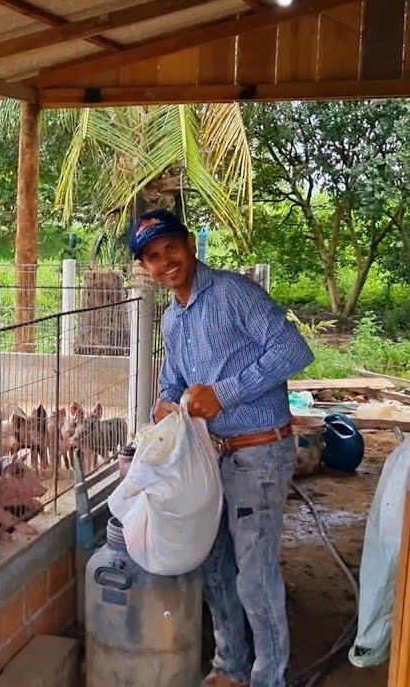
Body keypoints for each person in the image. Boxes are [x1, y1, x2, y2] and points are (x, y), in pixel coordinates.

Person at [128, 208, 314, 687]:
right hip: (211, 458)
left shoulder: (234, 293)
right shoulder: (171, 320)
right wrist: (163, 406)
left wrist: (224, 393)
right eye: (152, 256)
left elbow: (295, 351)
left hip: (260, 454)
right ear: (145, 268)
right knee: (215, 567)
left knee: (255, 573)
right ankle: (230, 666)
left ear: (189, 245)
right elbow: (174, 383)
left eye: (170, 247)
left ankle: (269, 676)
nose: (165, 260)